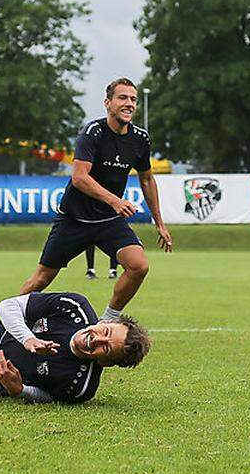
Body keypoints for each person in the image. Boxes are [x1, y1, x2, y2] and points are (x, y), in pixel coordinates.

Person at [18, 77, 172, 320]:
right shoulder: (92, 133)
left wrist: (159, 223)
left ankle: (107, 320)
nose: (129, 103)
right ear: (107, 102)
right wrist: (115, 201)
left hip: (109, 221)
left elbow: (147, 180)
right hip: (74, 219)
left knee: (139, 266)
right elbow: (79, 177)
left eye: (133, 99)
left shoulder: (140, 139)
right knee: (41, 278)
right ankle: (6, 322)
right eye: (122, 98)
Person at [0, 291, 150, 404]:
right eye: (106, 332)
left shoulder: (81, 386)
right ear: (106, 321)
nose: (97, 340)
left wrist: (19, 390)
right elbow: (7, 305)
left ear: (105, 363)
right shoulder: (74, 307)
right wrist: (28, 339)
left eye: (106, 349)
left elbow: (49, 397)